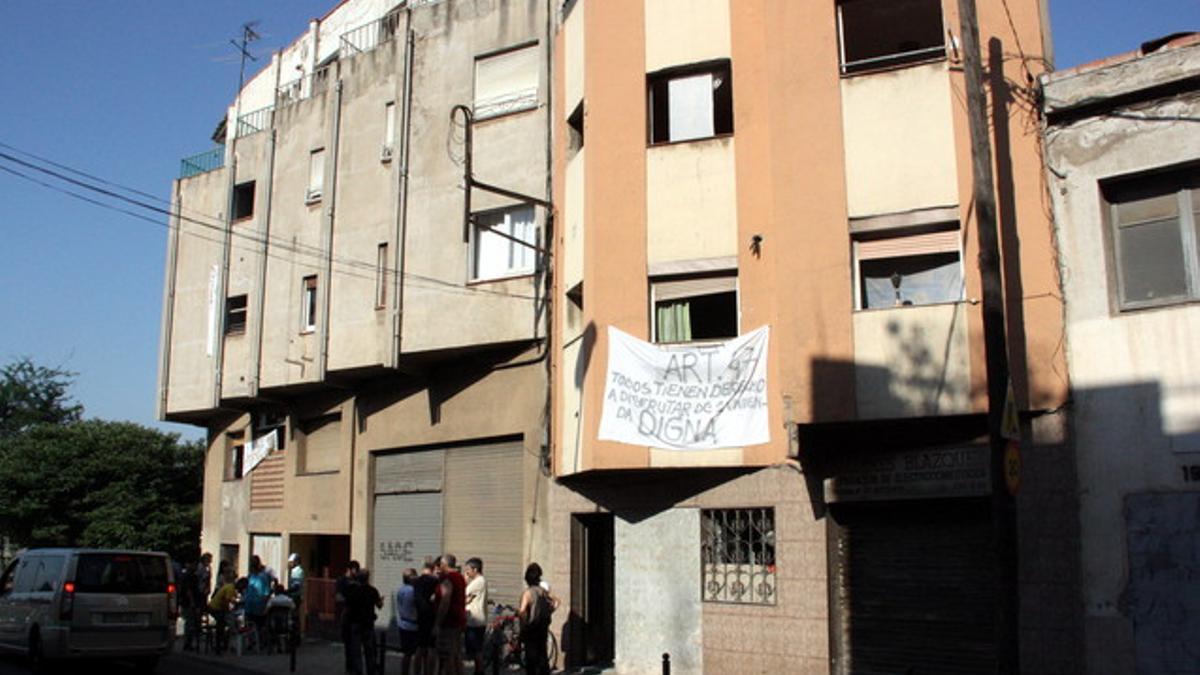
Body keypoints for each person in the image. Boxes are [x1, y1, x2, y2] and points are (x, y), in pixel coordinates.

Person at [518, 563, 556, 675]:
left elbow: (523, 611)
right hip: (543, 627)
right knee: (542, 656)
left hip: (532, 628)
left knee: (531, 659)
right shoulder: (543, 592)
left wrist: (522, 626)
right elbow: (556, 602)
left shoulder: (528, 593)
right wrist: (550, 611)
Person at [434, 554, 468, 675]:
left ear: (444, 565)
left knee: (447, 655)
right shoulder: (460, 577)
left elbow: (445, 600)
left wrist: (438, 623)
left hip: (449, 622)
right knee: (456, 653)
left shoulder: (448, 579)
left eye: (440, 565)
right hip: (459, 620)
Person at [346, 568, 383, 675]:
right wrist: (380, 601)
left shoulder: (353, 591)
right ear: (368, 578)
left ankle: (358, 671)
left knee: (356, 651)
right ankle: (371, 671)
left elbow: (348, 606)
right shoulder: (373, 591)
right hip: (368, 624)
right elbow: (379, 605)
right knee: (369, 650)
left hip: (355, 623)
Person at [412, 560, 441, 675]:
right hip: (432, 616)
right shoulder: (435, 581)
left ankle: (416, 672)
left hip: (420, 617)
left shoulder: (416, 581)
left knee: (420, 647)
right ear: (433, 568)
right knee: (431, 648)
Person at [463, 558, 488, 675]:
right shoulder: (479, 581)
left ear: (475, 569)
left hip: (475, 621)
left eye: (468, 570)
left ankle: (479, 671)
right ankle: (479, 670)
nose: (466, 572)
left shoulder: (478, 582)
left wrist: (465, 580)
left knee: (477, 648)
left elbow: (464, 596)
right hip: (475, 620)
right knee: (476, 648)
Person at [337, 560, 362, 674]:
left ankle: (355, 668)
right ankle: (350, 667)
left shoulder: (357, 581)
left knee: (355, 645)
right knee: (348, 644)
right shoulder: (342, 581)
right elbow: (339, 598)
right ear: (350, 569)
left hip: (356, 616)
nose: (356, 572)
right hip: (346, 615)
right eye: (355, 570)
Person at [208, 575, 243, 655]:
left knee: (226, 624)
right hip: (215, 608)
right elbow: (227, 601)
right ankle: (218, 646)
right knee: (221, 625)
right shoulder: (231, 588)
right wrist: (228, 611)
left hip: (218, 608)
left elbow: (231, 600)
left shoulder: (231, 588)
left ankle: (223, 643)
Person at [243, 556, 273, 648]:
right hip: (253, 605)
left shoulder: (259, 577)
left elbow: (266, 593)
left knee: (256, 625)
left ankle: (256, 642)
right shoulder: (252, 576)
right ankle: (255, 642)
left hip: (256, 605)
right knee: (255, 625)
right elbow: (267, 593)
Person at [394, 568, 419, 675]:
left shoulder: (401, 590)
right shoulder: (412, 591)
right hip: (412, 625)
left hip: (403, 624)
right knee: (415, 653)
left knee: (406, 653)